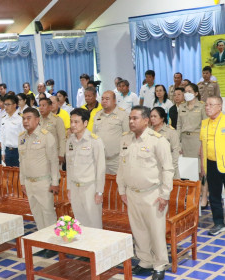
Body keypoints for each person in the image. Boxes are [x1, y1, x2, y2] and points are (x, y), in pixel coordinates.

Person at [117, 106, 174, 280]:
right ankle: (145, 261)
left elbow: (168, 169)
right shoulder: (125, 140)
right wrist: (122, 190)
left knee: (156, 231)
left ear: (146, 120)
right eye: (130, 118)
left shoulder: (158, 141)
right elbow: (122, 167)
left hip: (152, 194)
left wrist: (165, 194)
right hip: (132, 194)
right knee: (139, 230)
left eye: (135, 118)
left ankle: (159, 264)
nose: (131, 121)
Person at [19, 107, 59, 230]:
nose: (25, 121)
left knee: (48, 213)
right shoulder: (21, 137)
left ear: (37, 120)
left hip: (44, 182)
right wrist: (22, 182)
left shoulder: (46, 136)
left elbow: (54, 161)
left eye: (29, 118)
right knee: (36, 213)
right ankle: (42, 242)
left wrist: (55, 182)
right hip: (29, 182)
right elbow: (21, 161)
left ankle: (53, 244)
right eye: (24, 118)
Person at [66, 108, 105, 228]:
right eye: (71, 121)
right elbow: (69, 166)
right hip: (74, 186)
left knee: (94, 222)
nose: (73, 125)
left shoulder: (95, 141)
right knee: (79, 221)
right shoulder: (70, 141)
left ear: (86, 123)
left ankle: (96, 247)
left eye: (76, 122)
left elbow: (101, 168)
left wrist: (99, 191)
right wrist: (69, 188)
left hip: (90, 188)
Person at [177, 83, 207, 208]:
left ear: (195, 93)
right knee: (187, 170)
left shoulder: (202, 106)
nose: (186, 93)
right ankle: (191, 196)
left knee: (201, 171)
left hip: (197, 140)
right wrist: (178, 143)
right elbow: (178, 126)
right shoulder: (181, 107)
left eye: (189, 91)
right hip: (185, 140)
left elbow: (205, 126)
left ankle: (204, 196)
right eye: (185, 91)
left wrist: (202, 145)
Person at [200, 96, 225, 235]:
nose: (207, 107)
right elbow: (203, 145)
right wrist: (203, 166)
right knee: (214, 196)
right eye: (206, 105)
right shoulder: (204, 123)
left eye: (211, 104)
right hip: (210, 164)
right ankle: (219, 223)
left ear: (220, 106)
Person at [93, 90, 129, 174]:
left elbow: (128, 137)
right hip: (100, 159)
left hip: (116, 159)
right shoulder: (97, 115)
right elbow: (93, 136)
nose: (104, 101)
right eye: (102, 99)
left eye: (107, 99)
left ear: (114, 100)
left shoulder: (123, 114)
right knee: (102, 185)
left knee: (119, 184)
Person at [150, 107, 180, 179]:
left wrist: (170, 168)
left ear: (162, 118)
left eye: (155, 116)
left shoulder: (171, 132)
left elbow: (176, 151)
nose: (152, 119)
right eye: (151, 116)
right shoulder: (148, 131)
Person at [38, 98, 66, 166]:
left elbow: (62, 138)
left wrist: (61, 154)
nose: (41, 108)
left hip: (54, 154)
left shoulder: (57, 120)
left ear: (50, 107)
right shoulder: (37, 120)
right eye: (40, 105)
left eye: (43, 105)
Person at [0, 95, 23, 167]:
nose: (6, 107)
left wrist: (23, 153)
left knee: (19, 175)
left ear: (14, 105)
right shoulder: (4, 118)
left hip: (18, 152)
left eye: (8, 104)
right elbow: (3, 136)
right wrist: (3, 152)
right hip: (8, 151)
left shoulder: (21, 118)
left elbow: (24, 137)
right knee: (9, 175)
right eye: (5, 104)